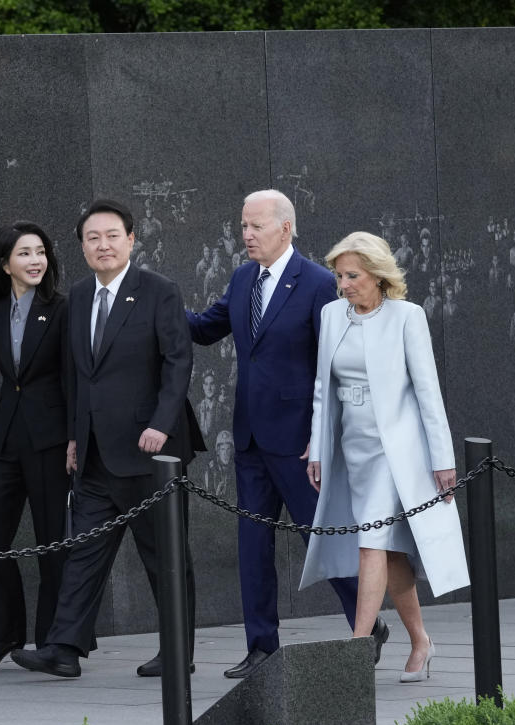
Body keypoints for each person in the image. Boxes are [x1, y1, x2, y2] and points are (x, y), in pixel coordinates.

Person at [11, 198, 201, 680]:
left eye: (112, 235)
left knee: (166, 559)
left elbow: (178, 362)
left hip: (149, 452)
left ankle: (177, 651)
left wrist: (160, 423)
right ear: (81, 246)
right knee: (83, 555)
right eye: (93, 238)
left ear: (131, 239)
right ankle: (63, 649)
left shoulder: (159, 291)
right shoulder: (78, 296)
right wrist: (76, 437)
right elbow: (77, 375)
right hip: (95, 455)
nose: (103, 245)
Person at [187, 189, 367, 680]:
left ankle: (367, 628)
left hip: (301, 444)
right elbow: (206, 328)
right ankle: (262, 648)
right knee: (253, 548)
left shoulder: (315, 283)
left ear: (285, 228)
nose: (245, 235)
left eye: (256, 226)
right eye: (243, 225)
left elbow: (335, 366)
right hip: (249, 440)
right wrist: (155, 309)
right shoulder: (243, 277)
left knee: (325, 540)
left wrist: (322, 437)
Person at [301, 231, 468, 682]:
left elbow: (429, 392)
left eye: (352, 275)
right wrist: (318, 445)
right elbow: (322, 388)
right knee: (391, 554)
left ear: (378, 275)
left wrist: (442, 458)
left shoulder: (406, 317)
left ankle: (357, 650)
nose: (344, 284)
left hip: (395, 451)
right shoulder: (332, 315)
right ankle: (420, 641)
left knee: (371, 541)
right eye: (339, 276)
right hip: (351, 446)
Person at [0, 221, 69, 669]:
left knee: (52, 544)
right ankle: (3, 636)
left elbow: (73, 380)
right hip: (2, 440)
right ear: (4, 263)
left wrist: (74, 438)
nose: (35, 261)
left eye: (41, 252)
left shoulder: (62, 308)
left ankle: (52, 642)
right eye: (25, 253)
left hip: (50, 440)